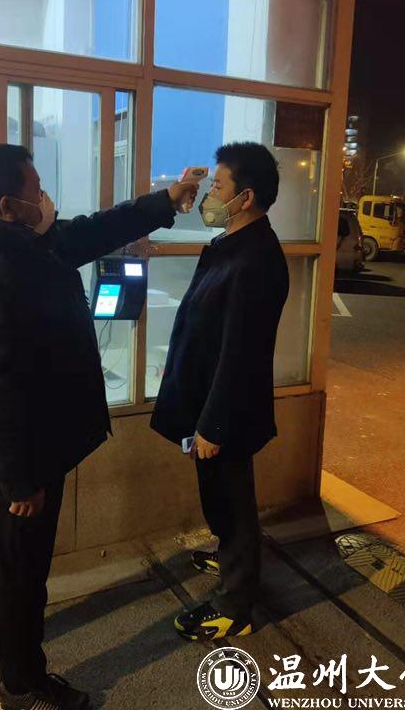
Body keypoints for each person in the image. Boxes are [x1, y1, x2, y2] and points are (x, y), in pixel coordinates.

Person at [0, 144, 198, 710]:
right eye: (35, 189)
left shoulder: (27, 244)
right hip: (24, 448)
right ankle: (20, 685)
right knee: (22, 563)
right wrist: (21, 479)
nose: (45, 198)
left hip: (23, 441)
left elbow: (98, 228)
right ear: (8, 205)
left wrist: (167, 200)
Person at [150, 141, 289, 642]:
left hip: (223, 411)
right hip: (207, 402)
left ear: (245, 197)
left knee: (231, 500)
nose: (209, 195)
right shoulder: (229, 245)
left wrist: (213, 424)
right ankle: (232, 555)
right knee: (220, 494)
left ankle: (236, 605)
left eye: (218, 186)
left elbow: (242, 354)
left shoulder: (256, 260)